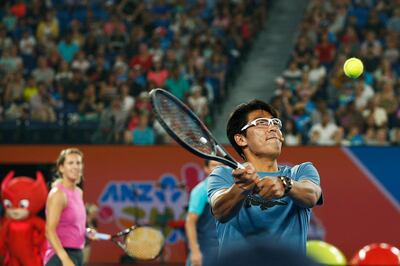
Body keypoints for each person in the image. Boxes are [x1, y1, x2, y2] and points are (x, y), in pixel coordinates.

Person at [207, 99, 323, 258]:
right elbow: (220, 211)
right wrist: (241, 187)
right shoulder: (223, 175)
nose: (273, 128)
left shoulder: (300, 171)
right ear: (241, 139)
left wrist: (285, 184)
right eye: (261, 123)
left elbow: (312, 195)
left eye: (275, 123)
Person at [44, 148, 87, 266]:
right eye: (70, 163)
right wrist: (65, 259)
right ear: (61, 168)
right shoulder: (58, 194)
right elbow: (49, 230)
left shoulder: (78, 192)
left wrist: (85, 231)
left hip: (77, 253)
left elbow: (71, 224)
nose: (75, 166)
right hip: (59, 256)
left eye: (78, 163)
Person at [185, 160, 222, 266]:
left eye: (220, 166)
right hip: (206, 247)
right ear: (206, 169)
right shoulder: (200, 191)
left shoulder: (230, 189)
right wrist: (195, 252)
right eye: (214, 165)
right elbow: (190, 222)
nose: (218, 168)